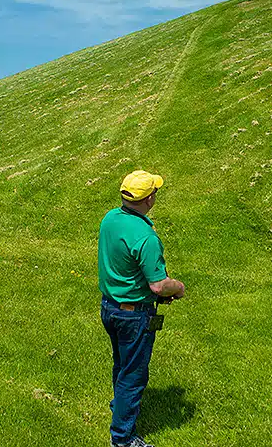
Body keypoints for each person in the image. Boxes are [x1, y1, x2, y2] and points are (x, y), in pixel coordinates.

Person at [98, 170, 186, 447]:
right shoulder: (145, 237)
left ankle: (120, 406)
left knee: (122, 365)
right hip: (133, 316)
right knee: (134, 375)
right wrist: (179, 287)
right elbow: (159, 286)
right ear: (149, 198)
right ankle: (122, 439)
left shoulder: (110, 218)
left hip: (110, 307)